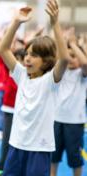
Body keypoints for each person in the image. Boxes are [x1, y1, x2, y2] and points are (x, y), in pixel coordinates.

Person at [0, 0, 70, 175]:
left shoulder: (50, 81)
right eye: (27, 54)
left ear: (46, 60)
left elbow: (64, 59)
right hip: (16, 145)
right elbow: (4, 49)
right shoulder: (22, 75)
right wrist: (16, 22)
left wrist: (54, 24)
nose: (28, 58)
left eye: (34, 55)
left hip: (39, 148)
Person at [50, 29, 87, 176]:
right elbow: (57, 56)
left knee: (75, 158)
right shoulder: (59, 72)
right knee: (53, 156)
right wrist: (64, 42)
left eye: (74, 56)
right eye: (69, 56)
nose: (71, 59)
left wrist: (73, 43)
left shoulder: (82, 75)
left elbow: (84, 63)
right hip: (56, 119)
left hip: (74, 123)